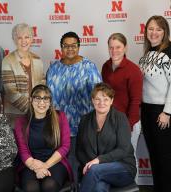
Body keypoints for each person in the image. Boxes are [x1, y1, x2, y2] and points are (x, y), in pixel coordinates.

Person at [46, 31, 101, 182]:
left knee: (83, 160)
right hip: (59, 124)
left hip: (84, 124)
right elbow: (47, 97)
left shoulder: (89, 67)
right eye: (66, 46)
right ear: (61, 48)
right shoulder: (53, 68)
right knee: (64, 161)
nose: (70, 49)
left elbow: (99, 96)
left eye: (74, 45)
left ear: (79, 47)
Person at [76, 82, 136, 192]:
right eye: (97, 99)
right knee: (99, 187)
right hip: (95, 171)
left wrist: (98, 161)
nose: (101, 103)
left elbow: (123, 149)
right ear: (93, 100)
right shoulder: (85, 119)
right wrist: (88, 164)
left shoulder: (120, 118)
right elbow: (79, 150)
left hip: (123, 167)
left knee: (94, 170)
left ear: (111, 101)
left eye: (106, 99)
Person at [14, 84, 72, 192]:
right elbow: (23, 151)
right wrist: (36, 167)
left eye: (46, 98)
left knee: (49, 185)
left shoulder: (60, 117)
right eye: (37, 98)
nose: (41, 102)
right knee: (31, 188)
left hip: (55, 162)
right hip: (29, 163)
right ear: (31, 100)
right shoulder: (21, 122)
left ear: (50, 102)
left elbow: (65, 146)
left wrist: (45, 165)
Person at [101, 33, 143, 181]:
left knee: (128, 159)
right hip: (110, 122)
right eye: (111, 47)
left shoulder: (133, 70)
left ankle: (134, 187)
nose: (114, 51)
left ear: (125, 48)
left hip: (128, 122)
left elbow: (135, 101)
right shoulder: (105, 67)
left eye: (118, 47)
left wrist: (128, 126)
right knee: (112, 159)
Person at [139, 15, 171, 192]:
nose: (154, 32)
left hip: (162, 112)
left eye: (159, 29)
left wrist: (167, 112)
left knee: (165, 158)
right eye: (150, 28)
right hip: (147, 111)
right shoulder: (146, 55)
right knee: (154, 156)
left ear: (165, 32)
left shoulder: (169, 52)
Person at [2, 23, 44, 126]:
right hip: (15, 116)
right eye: (19, 38)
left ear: (31, 39)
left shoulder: (37, 59)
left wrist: (39, 106)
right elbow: (11, 92)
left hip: (36, 114)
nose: (23, 41)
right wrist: (32, 109)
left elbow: (42, 84)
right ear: (14, 40)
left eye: (27, 37)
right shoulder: (8, 60)